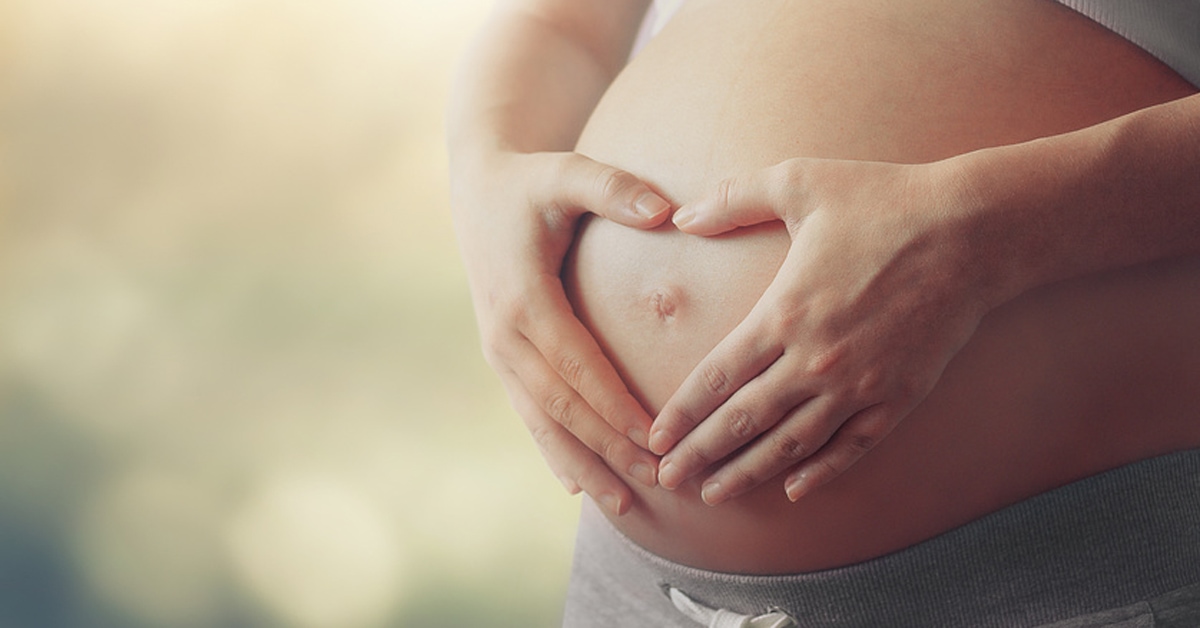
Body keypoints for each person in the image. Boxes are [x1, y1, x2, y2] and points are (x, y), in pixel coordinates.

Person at [448, 0, 1200, 625]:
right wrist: (485, 169)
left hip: (1057, 581)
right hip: (633, 591)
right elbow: (563, 23)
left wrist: (992, 234)